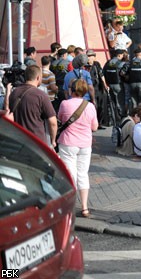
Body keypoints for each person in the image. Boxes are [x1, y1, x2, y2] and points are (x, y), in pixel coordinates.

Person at [57, 79, 98, 218]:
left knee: (70, 175)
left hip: (68, 143)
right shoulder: (90, 106)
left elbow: (60, 120)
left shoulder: (64, 104)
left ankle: (70, 206)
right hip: (85, 144)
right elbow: (95, 127)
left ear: (72, 90)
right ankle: (85, 208)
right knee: (83, 174)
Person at [9, 64, 58, 147]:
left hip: (18, 141)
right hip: (37, 143)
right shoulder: (41, 95)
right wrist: (53, 140)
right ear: (38, 77)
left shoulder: (14, 92)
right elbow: (52, 122)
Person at [86, 50, 109, 128]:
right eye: (87, 56)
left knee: (100, 105)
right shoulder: (85, 66)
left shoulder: (96, 64)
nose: (88, 58)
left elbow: (101, 74)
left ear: (94, 57)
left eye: (90, 56)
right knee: (93, 105)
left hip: (98, 87)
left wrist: (105, 85)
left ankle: (99, 122)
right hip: (89, 88)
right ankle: (92, 123)